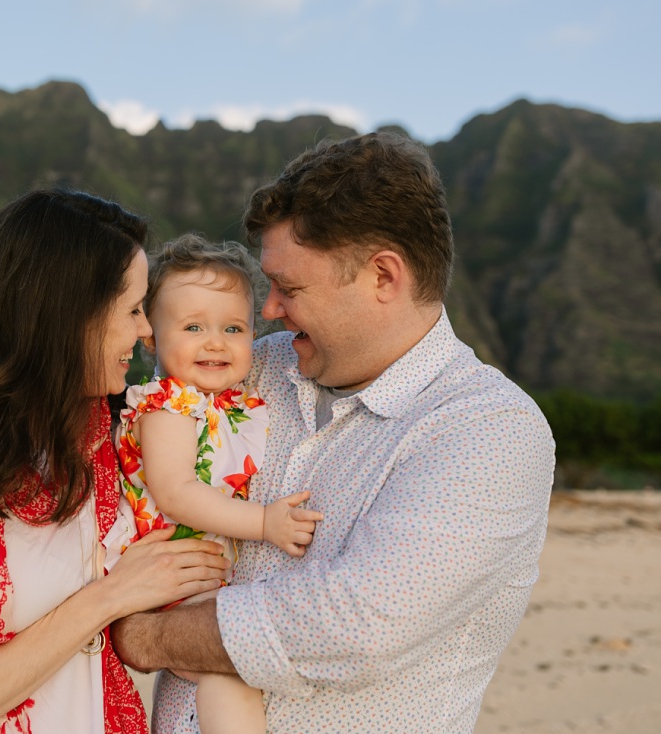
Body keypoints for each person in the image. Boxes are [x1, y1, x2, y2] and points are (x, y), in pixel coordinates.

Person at [111, 132, 556, 733]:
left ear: (383, 277)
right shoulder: (253, 365)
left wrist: (147, 633)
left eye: (290, 288)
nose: (267, 311)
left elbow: (354, 624)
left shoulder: (489, 428)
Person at [0, 189, 230, 734]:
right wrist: (108, 597)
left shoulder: (120, 436)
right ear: (69, 317)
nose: (145, 331)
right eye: (131, 309)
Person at [102, 234, 324, 734]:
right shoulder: (167, 407)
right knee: (233, 672)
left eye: (234, 328)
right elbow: (177, 492)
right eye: (193, 326)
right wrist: (264, 523)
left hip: (194, 574)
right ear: (152, 338)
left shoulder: (227, 403)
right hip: (167, 577)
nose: (216, 342)